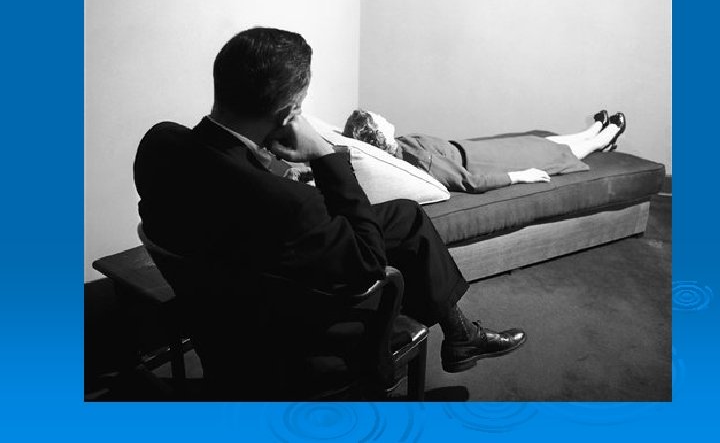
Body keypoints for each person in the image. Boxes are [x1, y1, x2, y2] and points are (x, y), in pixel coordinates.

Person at [133, 27, 526, 398]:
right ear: (288, 112)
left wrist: (268, 166)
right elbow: (368, 263)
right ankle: (456, 336)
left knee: (405, 217)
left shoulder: (160, 143)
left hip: (221, 277)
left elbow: (230, 188)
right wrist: (324, 156)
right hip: (283, 330)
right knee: (381, 249)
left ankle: (459, 333)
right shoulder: (292, 205)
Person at [342, 109, 627, 193]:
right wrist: (519, 176)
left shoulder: (401, 144)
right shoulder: (414, 158)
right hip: (482, 163)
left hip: (474, 151)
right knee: (547, 154)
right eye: (377, 119)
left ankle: (591, 132)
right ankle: (603, 137)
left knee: (534, 141)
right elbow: (469, 181)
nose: (383, 117)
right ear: (377, 135)